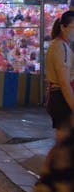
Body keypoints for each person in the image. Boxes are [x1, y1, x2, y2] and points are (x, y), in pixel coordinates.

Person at [45, 11, 74, 140]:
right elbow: (64, 82)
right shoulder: (61, 47)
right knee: (64, 145)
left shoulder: (58, 45)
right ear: (63, 27)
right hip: (61, 98)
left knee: (63, 145)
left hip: (59, 97)